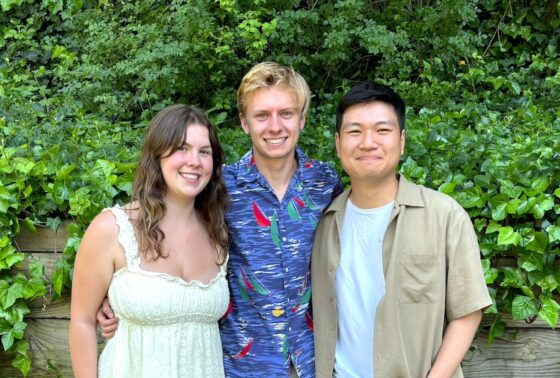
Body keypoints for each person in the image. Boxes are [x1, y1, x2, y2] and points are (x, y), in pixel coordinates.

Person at [97, 62, 343, 377]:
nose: (275, 126)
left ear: (303, 119)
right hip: (240, 366)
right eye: (262, 115)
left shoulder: (324, 183)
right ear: (244, 122)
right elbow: (165, 226)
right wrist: (114, 289)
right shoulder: (218, 187)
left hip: (313, 360)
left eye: (286, 113)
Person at [311, 81, 492, 378]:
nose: (368, 142)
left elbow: (468, 310)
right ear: (338, 143)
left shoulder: (443, 215)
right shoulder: (324, 222)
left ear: (402, 140)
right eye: (355, 131)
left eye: (382, 130)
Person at [70, 104, 230, 378]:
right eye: (182, 148)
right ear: (157, 155)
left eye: (204, 152)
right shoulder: (113, 229)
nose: (194, 161)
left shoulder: (218, 232)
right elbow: (82, 322)